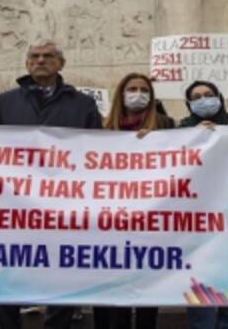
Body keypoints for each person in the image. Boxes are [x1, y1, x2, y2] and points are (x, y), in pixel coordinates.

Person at [0, 40, 101, 329]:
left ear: (60, 63)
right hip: (14, 204)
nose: (40, 61)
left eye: (48, 56)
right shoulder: (5, 102)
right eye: (34, 57)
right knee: (7, 273)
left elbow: (97, 153)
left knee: (62, 273)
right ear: (26, 64)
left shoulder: (83, 104)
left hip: (64, 204)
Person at [91, 72, 173, 329]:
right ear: (121, 94)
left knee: (148, 295)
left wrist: (207, 132)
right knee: (110, 297)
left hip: (151, 221)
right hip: (110, 221)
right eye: (132, 88)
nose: (138, 94)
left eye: (144, 89)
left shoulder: (166, 125)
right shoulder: (102, 130)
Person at [178, 80, 228, 329]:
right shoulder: (182, 129)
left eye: (208, 94)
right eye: (197, 96)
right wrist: (195, 137)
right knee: (201, 295)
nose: (204, 99)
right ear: (189, 104)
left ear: (219, 97)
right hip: (197, 225)